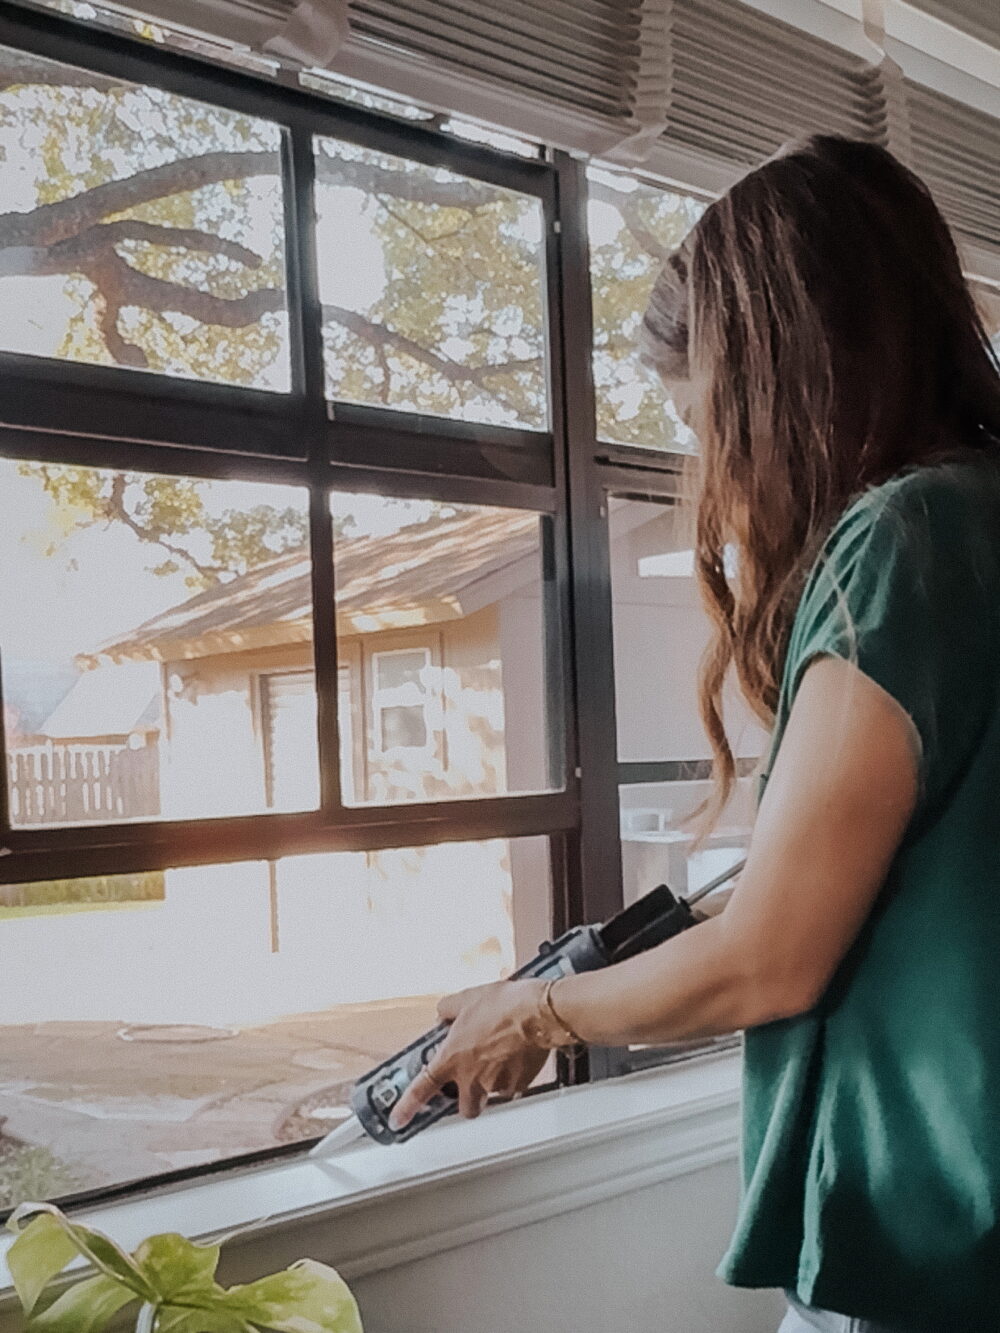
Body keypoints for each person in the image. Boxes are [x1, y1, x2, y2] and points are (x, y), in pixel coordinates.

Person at [389, 135, 1000, 1331]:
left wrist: (538, 1015)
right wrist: (597, 967)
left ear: (781, 374)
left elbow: (773, 953)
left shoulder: (904, 543)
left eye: (699, 409)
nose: (708, 456)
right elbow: (865, 870)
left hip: (929, 1232)